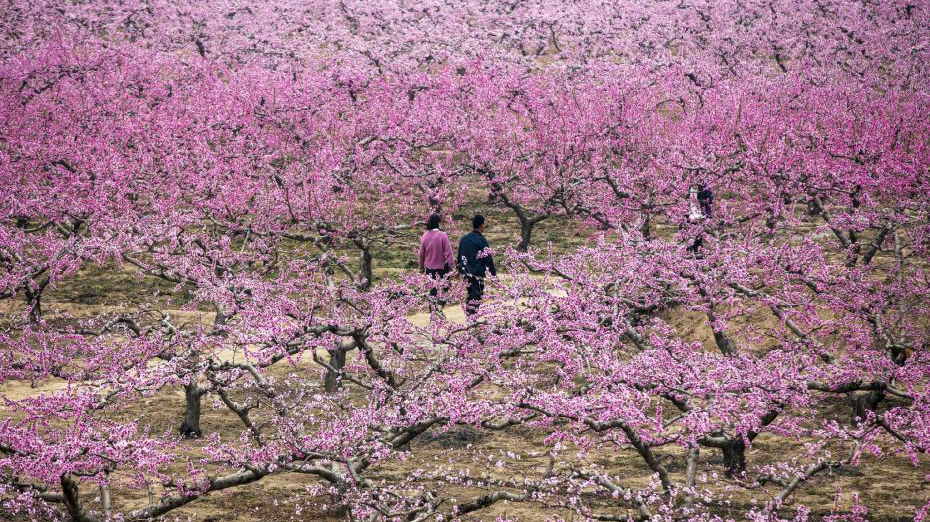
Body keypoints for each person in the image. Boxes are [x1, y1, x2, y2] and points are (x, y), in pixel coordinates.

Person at [457, 214, 496, 316]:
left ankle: (469, 318)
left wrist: (459, 270)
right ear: (482, 225)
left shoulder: (464, 239)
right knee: (476, 297)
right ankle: (471, 320)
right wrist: (493, 274)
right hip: (477, 274)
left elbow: (460, 256)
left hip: (465, 273)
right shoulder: (482, 240)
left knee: (470, 295)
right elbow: (488, 258)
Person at [418, 214, 455, 309]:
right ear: (438, 223)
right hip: (442, 267)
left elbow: (421, 254)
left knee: (433, 290)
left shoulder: (425, 235)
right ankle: (440, 306)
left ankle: (433, 312)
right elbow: (448, 253)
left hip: (429, 268)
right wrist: (452, 267)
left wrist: (421, 268)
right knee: (448, 286)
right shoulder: (443, 235)